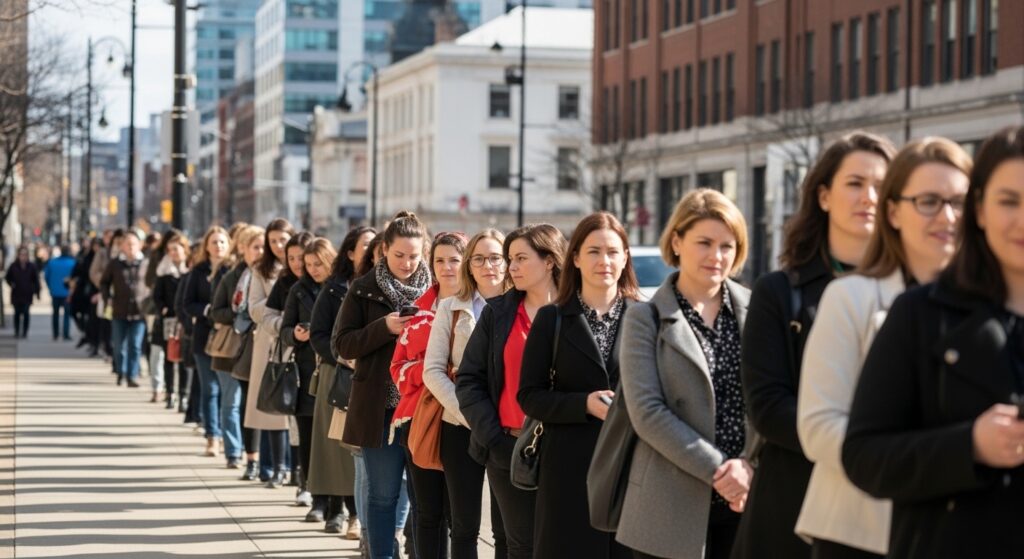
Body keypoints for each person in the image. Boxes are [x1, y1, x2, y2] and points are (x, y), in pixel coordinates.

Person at [841, 127, 1024, 558]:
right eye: (1009, 201)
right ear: (978, 210)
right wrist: (970, 445)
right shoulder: (920, 313)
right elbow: (864, 456)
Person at [796, 137, 972, 559]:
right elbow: (818, 428)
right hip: (860, 530)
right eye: (928, 200)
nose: (947, 216)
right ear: (893, 212)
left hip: (960, 526)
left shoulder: (994, 305)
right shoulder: (850, 297)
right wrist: (928, 461)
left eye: (960, 201)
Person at [732, 132, 896, 559]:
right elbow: (766, 407)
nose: (870, 197)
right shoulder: (778, 292)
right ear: (823, 196)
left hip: (887, 499)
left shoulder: (913, 293)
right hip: (794, 496)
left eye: (882, 186)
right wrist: (856, 446)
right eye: (855, 183)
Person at [617, 189, 754, 559]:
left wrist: (747, 466)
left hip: (747, 496)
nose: (717, 256)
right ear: (676, 241)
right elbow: (646, 411)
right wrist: (720, 472)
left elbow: (769, 396)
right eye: (704, 242)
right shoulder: (644, 318)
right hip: (669, 501)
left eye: (727, 245)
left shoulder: (755, 311)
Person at [517, 212, 638, 559]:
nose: (605, 261)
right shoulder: (552, 318)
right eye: (594, 251)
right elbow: (529, 395)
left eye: (614, 252)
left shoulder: (645, 318)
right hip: (567, 467)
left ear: (625, 257)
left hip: (629, 465)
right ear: (575, 258)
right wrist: (583, 404)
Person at [456, 223, 567, 559]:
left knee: (565, 543)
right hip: (509, 448)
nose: (511, 267)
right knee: (522, 545)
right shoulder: (499, 313)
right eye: (510, 259)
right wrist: (495, 439)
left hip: (567, 450)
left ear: (549, 261)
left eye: (520, 258)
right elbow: (469, 380)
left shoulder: (577, 312)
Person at [333, 212, 432, 559]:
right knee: (382, 495)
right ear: (383, 250)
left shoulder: (437, 291)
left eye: (414, 256)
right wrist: (384, 328)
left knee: (424, 499)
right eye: (399, 255)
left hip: (423, 410)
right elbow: (341, 344)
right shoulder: (362, 289)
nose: (406, 263)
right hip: (380, 410)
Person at [422, 229, 508, 559]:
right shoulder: (450, 307)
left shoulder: (522, 306)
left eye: (496, 258)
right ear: (469, 265)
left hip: (507, 429)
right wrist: (470, 413)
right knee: (464, 525)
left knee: (506, 528)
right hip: (459, 425)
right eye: (479, 258)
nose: (488, 266)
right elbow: (433, 370)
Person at [391, 231, 468, 559]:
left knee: (460, 516)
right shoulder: (417, 310)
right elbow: (397, 367)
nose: (447, 267)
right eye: (439, 260)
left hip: (461, 419)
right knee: (426, 511)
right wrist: (429, 374)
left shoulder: (480, 306)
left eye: (454, 259)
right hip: (418, 417)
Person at [309, 227, 374, 539]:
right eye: (366, 245)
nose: (374, 250)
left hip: (375, 380)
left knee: (362, 454)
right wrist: (343, 357)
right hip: (340, 375)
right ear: (350, 252)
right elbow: (321, 336)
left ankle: (358, 517)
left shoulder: (386, 287)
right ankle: (340, 511)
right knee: (338, 450)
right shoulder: (334, 288)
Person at [282, 235, 334, 522]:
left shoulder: (341, 288)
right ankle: (317, 498)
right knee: (308, 438)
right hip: (305, 371)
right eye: (309, 264)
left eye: (318, 263)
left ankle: (335, 504)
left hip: (331, 370)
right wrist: (295, 334)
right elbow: (285, 327)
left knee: (332, 442)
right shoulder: (298, 290)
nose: (313, 269)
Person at [246, 219, 297, 487]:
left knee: (297, 410)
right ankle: (277, 466)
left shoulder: (302, 265)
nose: (278, 245)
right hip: (271, 339)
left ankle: (295, 468)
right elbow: (253, 307)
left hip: (299, 340)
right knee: (273, 404)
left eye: (283, 239)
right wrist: (278, 302)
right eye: (273, 240)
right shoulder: (261, 269)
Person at [210, 224, 262, 470]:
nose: (261, 252)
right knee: (233, 402)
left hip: (261, 347)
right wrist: (239, 317)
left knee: (255, 404)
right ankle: (235, 452)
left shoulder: (274, 277)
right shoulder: (232, 276)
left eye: (264, 247)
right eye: (256, 247)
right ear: (243, 249)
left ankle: (261, 457)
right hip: (233, 347)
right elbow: (216, 311)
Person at [182, 226, 231, 457]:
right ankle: (213, 436)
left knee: (226, 391)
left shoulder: (232, 271)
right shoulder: (198, 270)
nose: (218, 246)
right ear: (207, 246)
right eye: (214, 242)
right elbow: (187, 302)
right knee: (209, 388)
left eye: (222, 242)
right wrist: (208, 310)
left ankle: (228, 437)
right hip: (203, 336)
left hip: (227, 338)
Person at [100, 229, 151, 388]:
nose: (130, 247)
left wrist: (149, 302)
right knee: (119, 345)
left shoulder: (146, 263)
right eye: (127, 244)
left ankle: (132, 375)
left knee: (135, 346)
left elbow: (153, 284)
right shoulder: (115, 263)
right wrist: (107, 298)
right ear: (121, 246)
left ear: (140, 246)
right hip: (119, 310)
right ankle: (121, 372)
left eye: (133, 244)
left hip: (139, 312)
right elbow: (104, 282)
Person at [152, 229, 190, 411]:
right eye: (171, 249)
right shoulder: (164, 272)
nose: (174, 253)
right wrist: (163, 309)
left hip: (185, 320)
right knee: (168, 357)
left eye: (177, 248)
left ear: (185, 249)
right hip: (168, 320)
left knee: (183, 359)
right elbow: (156, 296)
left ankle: (183, 394)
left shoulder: (190, 271)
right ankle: (170, 393)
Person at [43, 245, 76, 341]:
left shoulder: (52, 262)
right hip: (67, 293)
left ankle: (55, 334)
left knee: (55, 314)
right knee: (67, 315)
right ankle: (66, 334)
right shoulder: (72, 263)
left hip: (55, 292)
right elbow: (75, 279)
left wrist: (50, 287)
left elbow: (46, 276)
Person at [6, 247, 40, 338]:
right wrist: (11, 284)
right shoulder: (13, 266)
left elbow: (36, 280)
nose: (23, 257)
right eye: (21, 254)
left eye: (25, 255)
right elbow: (7, 277)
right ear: (18, 255)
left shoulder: (31, 266)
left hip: (27, 294)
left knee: (26, 313)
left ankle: (25, 332)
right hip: (16, 294)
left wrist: (37, 292)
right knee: (17, 313)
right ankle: (17, 331)